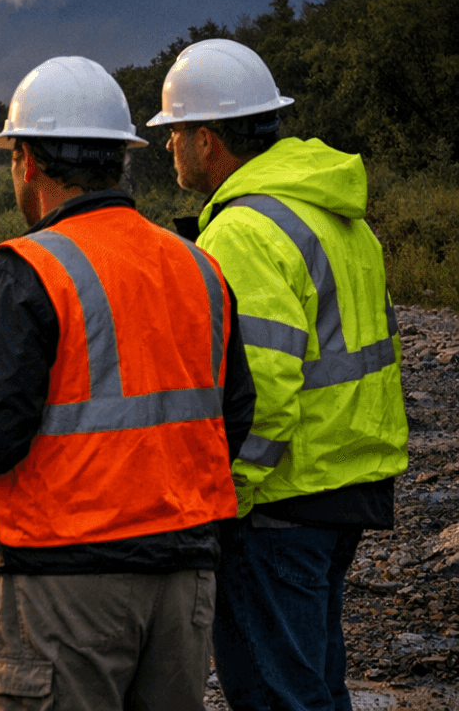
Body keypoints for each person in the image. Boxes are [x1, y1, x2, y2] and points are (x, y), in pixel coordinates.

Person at [0, 55, 255, 710]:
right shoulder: (196, 265)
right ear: (119, 159)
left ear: (27, 161)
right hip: (183, 578)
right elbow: (233, 417)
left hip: (61, 583)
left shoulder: (24, 271)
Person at [148, 38, 407, 711]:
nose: (168, 145)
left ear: (207, 140)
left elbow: (263, 393)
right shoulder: (333, 212)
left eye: (174, 131)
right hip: (347, 482)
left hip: (281, 499)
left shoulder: (243, 231)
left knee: (277, 695)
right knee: (315, 684)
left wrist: (225, 499)